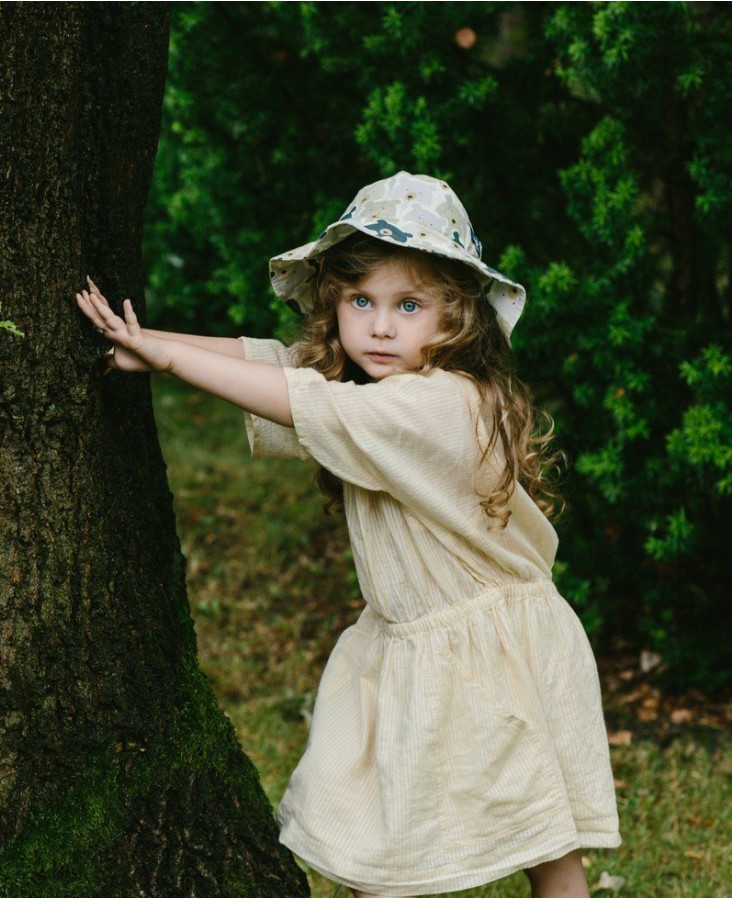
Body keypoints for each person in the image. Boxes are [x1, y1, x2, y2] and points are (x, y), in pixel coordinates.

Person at [74, 172, 621, 898]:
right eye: (361, 302)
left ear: (455, 317)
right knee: (380, 852)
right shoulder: (372, 385)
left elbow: (305, 402)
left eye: (409, 305)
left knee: (547, 841)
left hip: (497, 649)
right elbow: (273, 364)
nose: (381, 326)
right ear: (334, 304)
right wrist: (143, 340)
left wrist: (166, 358)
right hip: (412, 645)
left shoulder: (440, 405)